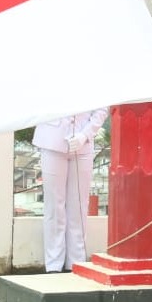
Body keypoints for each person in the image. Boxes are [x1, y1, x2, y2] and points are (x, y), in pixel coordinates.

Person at [32, 108, 108, 273]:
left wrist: (85, 134)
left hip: (83, 143)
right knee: (54, 206)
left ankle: (75, 262)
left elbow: (102, 108)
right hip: (51, 139)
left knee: (79, 206)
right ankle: (53, 264)